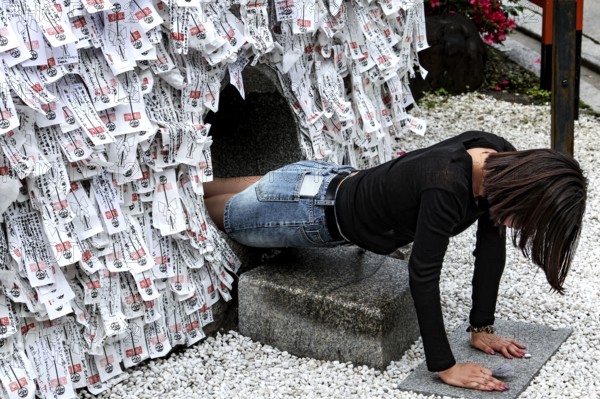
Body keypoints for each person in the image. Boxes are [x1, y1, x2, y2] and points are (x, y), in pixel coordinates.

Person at [203, 130, 587, 392]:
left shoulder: (495, 155)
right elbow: (423, 276)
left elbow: (490, 250)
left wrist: (482, 327)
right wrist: (444, 365)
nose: (518, 225)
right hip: (305, 212)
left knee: (202, 190)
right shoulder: (446, 188)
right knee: (201, 212)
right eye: (527, 218)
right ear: (522, 193)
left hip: (318, 178)